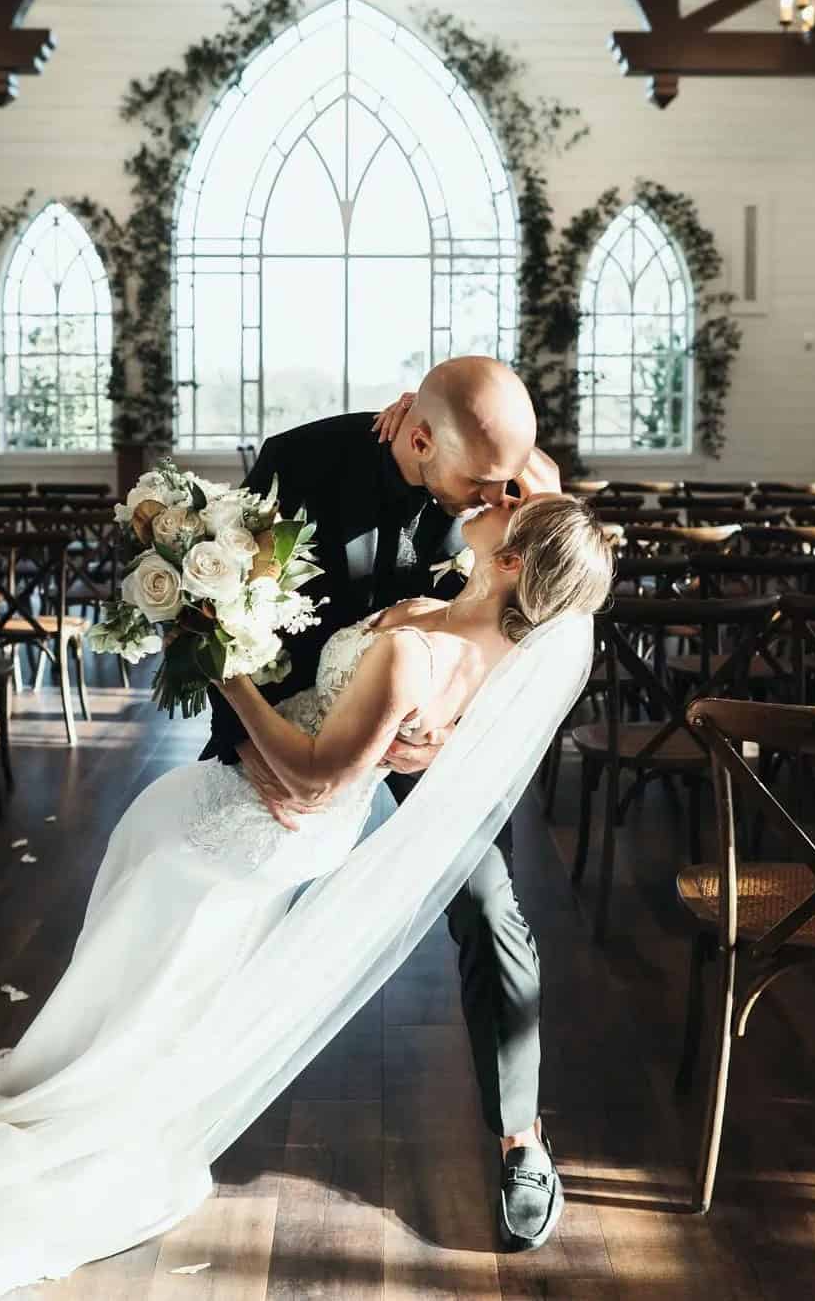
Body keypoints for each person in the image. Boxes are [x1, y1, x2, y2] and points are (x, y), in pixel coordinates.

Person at [0, 485, 612, 1301]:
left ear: (509, 562)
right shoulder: (491, 652)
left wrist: (224, 661)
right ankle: (102, 1084)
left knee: (145, 965)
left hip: (245, 825)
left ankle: (85, 1106)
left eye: (509, 510)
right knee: (167, 981)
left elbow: (315, 782)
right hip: (260, 823)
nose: (494, 498)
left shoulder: (415, 648)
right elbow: (418, 737)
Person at [203, 356, 568, 1250]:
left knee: (489, 903)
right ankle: (167, 1091)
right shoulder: (302, 463)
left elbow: (541, 616)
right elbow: (224, 617)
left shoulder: (506, 484)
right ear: (414, 435)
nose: (495, 499)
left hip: (430, 743)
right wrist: (256, 748)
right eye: (480, 484)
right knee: (219, 894)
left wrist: (454, 722)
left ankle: (522, 1135)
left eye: (507, 484)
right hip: (301, 725)